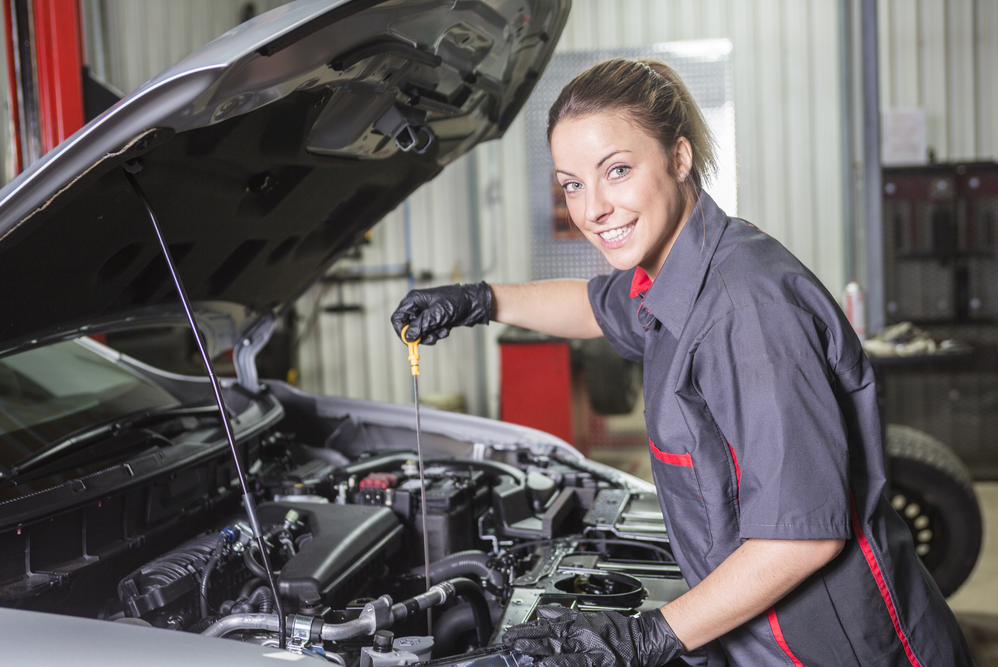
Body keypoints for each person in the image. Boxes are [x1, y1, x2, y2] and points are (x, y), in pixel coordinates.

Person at [390, 58, 974, 667]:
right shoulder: (675, 271)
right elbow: (595, 306)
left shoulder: (745, 312)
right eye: (572, 184)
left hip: (837, 649)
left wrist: (647, 637)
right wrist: (481, 301)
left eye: (616, 170)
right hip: (760, 636)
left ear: (679, 157)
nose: (593, 209)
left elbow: (803, 538)